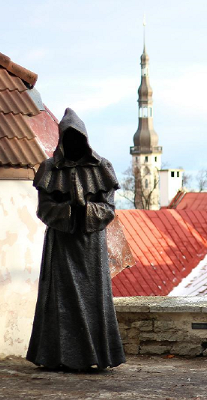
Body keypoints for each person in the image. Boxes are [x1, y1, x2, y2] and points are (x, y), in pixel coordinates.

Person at [27, 108, 125, 371]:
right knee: (60, 301)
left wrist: (86, 211)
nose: (72, 142)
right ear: (61, 139)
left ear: (85, 138)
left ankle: (96, 355)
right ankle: (56, 356)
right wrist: (69, 211)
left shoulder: (101, 167)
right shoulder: (49, 168)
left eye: (77, 137)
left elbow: (108, 209)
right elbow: (44, 210)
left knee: (94, 301)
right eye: (67, 137)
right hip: (62, 245)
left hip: (91, 246)